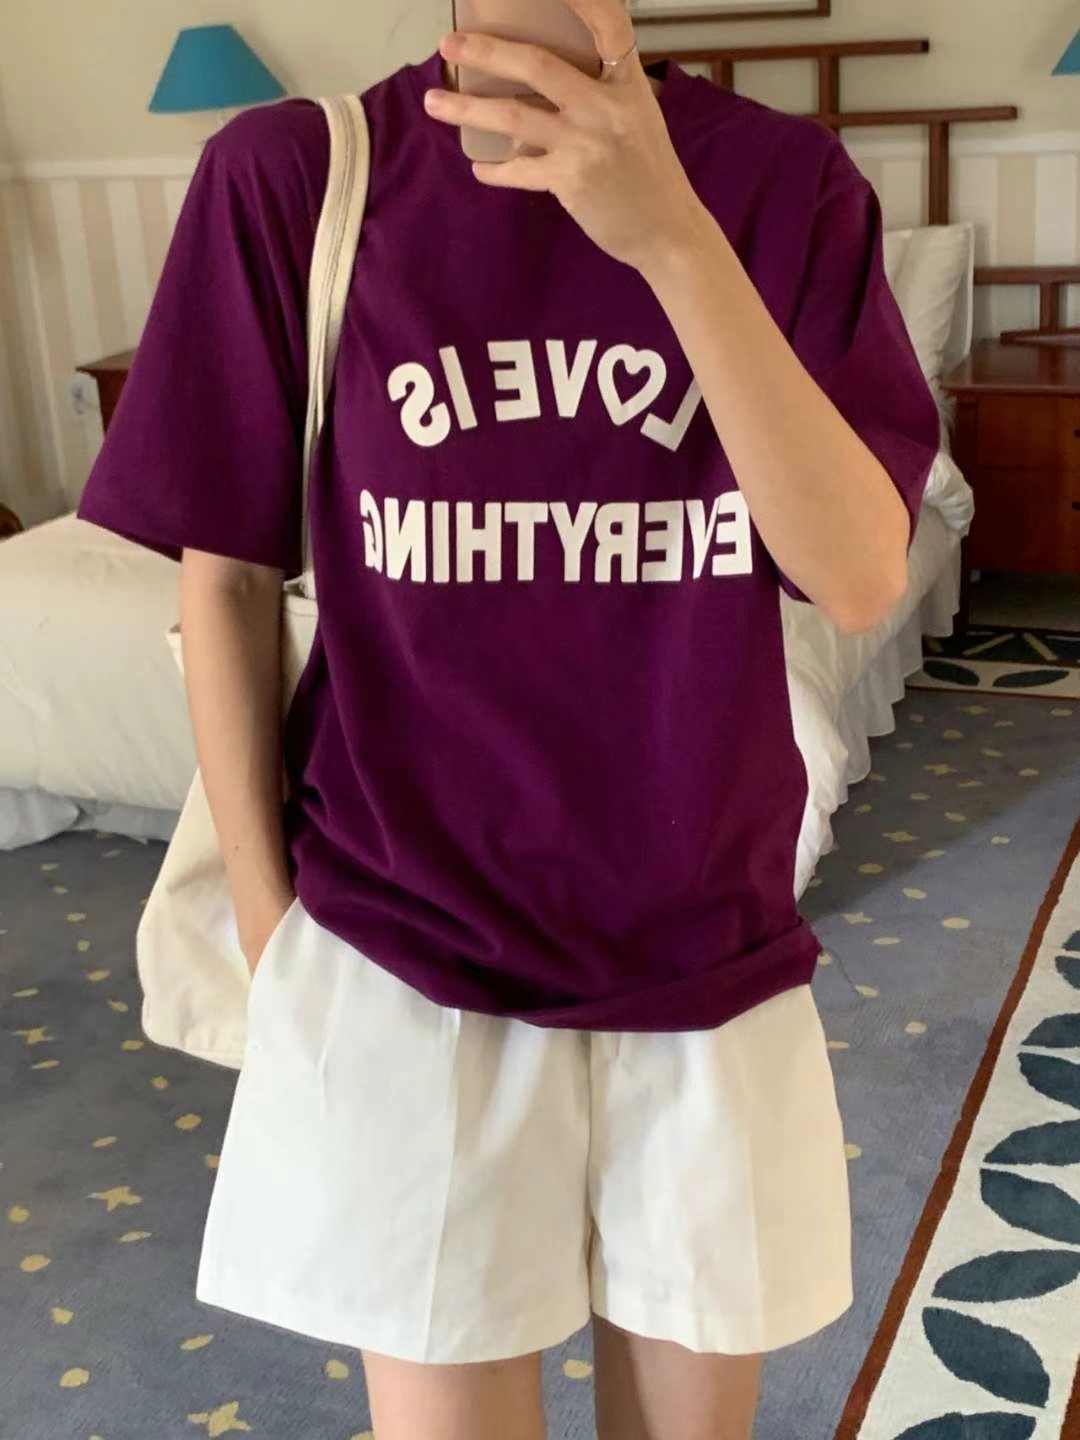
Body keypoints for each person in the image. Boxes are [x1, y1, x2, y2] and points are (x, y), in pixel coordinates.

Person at [77, 1, 940, 1436]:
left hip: (703, 956)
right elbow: (223, 576)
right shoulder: (296, 175)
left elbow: (856, 576)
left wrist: (669, 236)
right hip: (402, 960)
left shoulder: (785, 186)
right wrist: (270, 930)